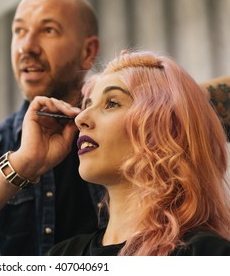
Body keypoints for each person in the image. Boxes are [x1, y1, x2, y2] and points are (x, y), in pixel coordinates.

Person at [0, 0, 230, 256]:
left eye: (48, 30)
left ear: (88, 51)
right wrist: (24, 163)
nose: (27, 46)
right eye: (19, 31)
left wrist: (165, 102)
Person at [40, 50, 230, 255]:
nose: (80, 118)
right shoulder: (62, 256)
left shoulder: (206, 254)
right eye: (87, 105)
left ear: (161, 128)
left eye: (112, 103)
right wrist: (21, 164)